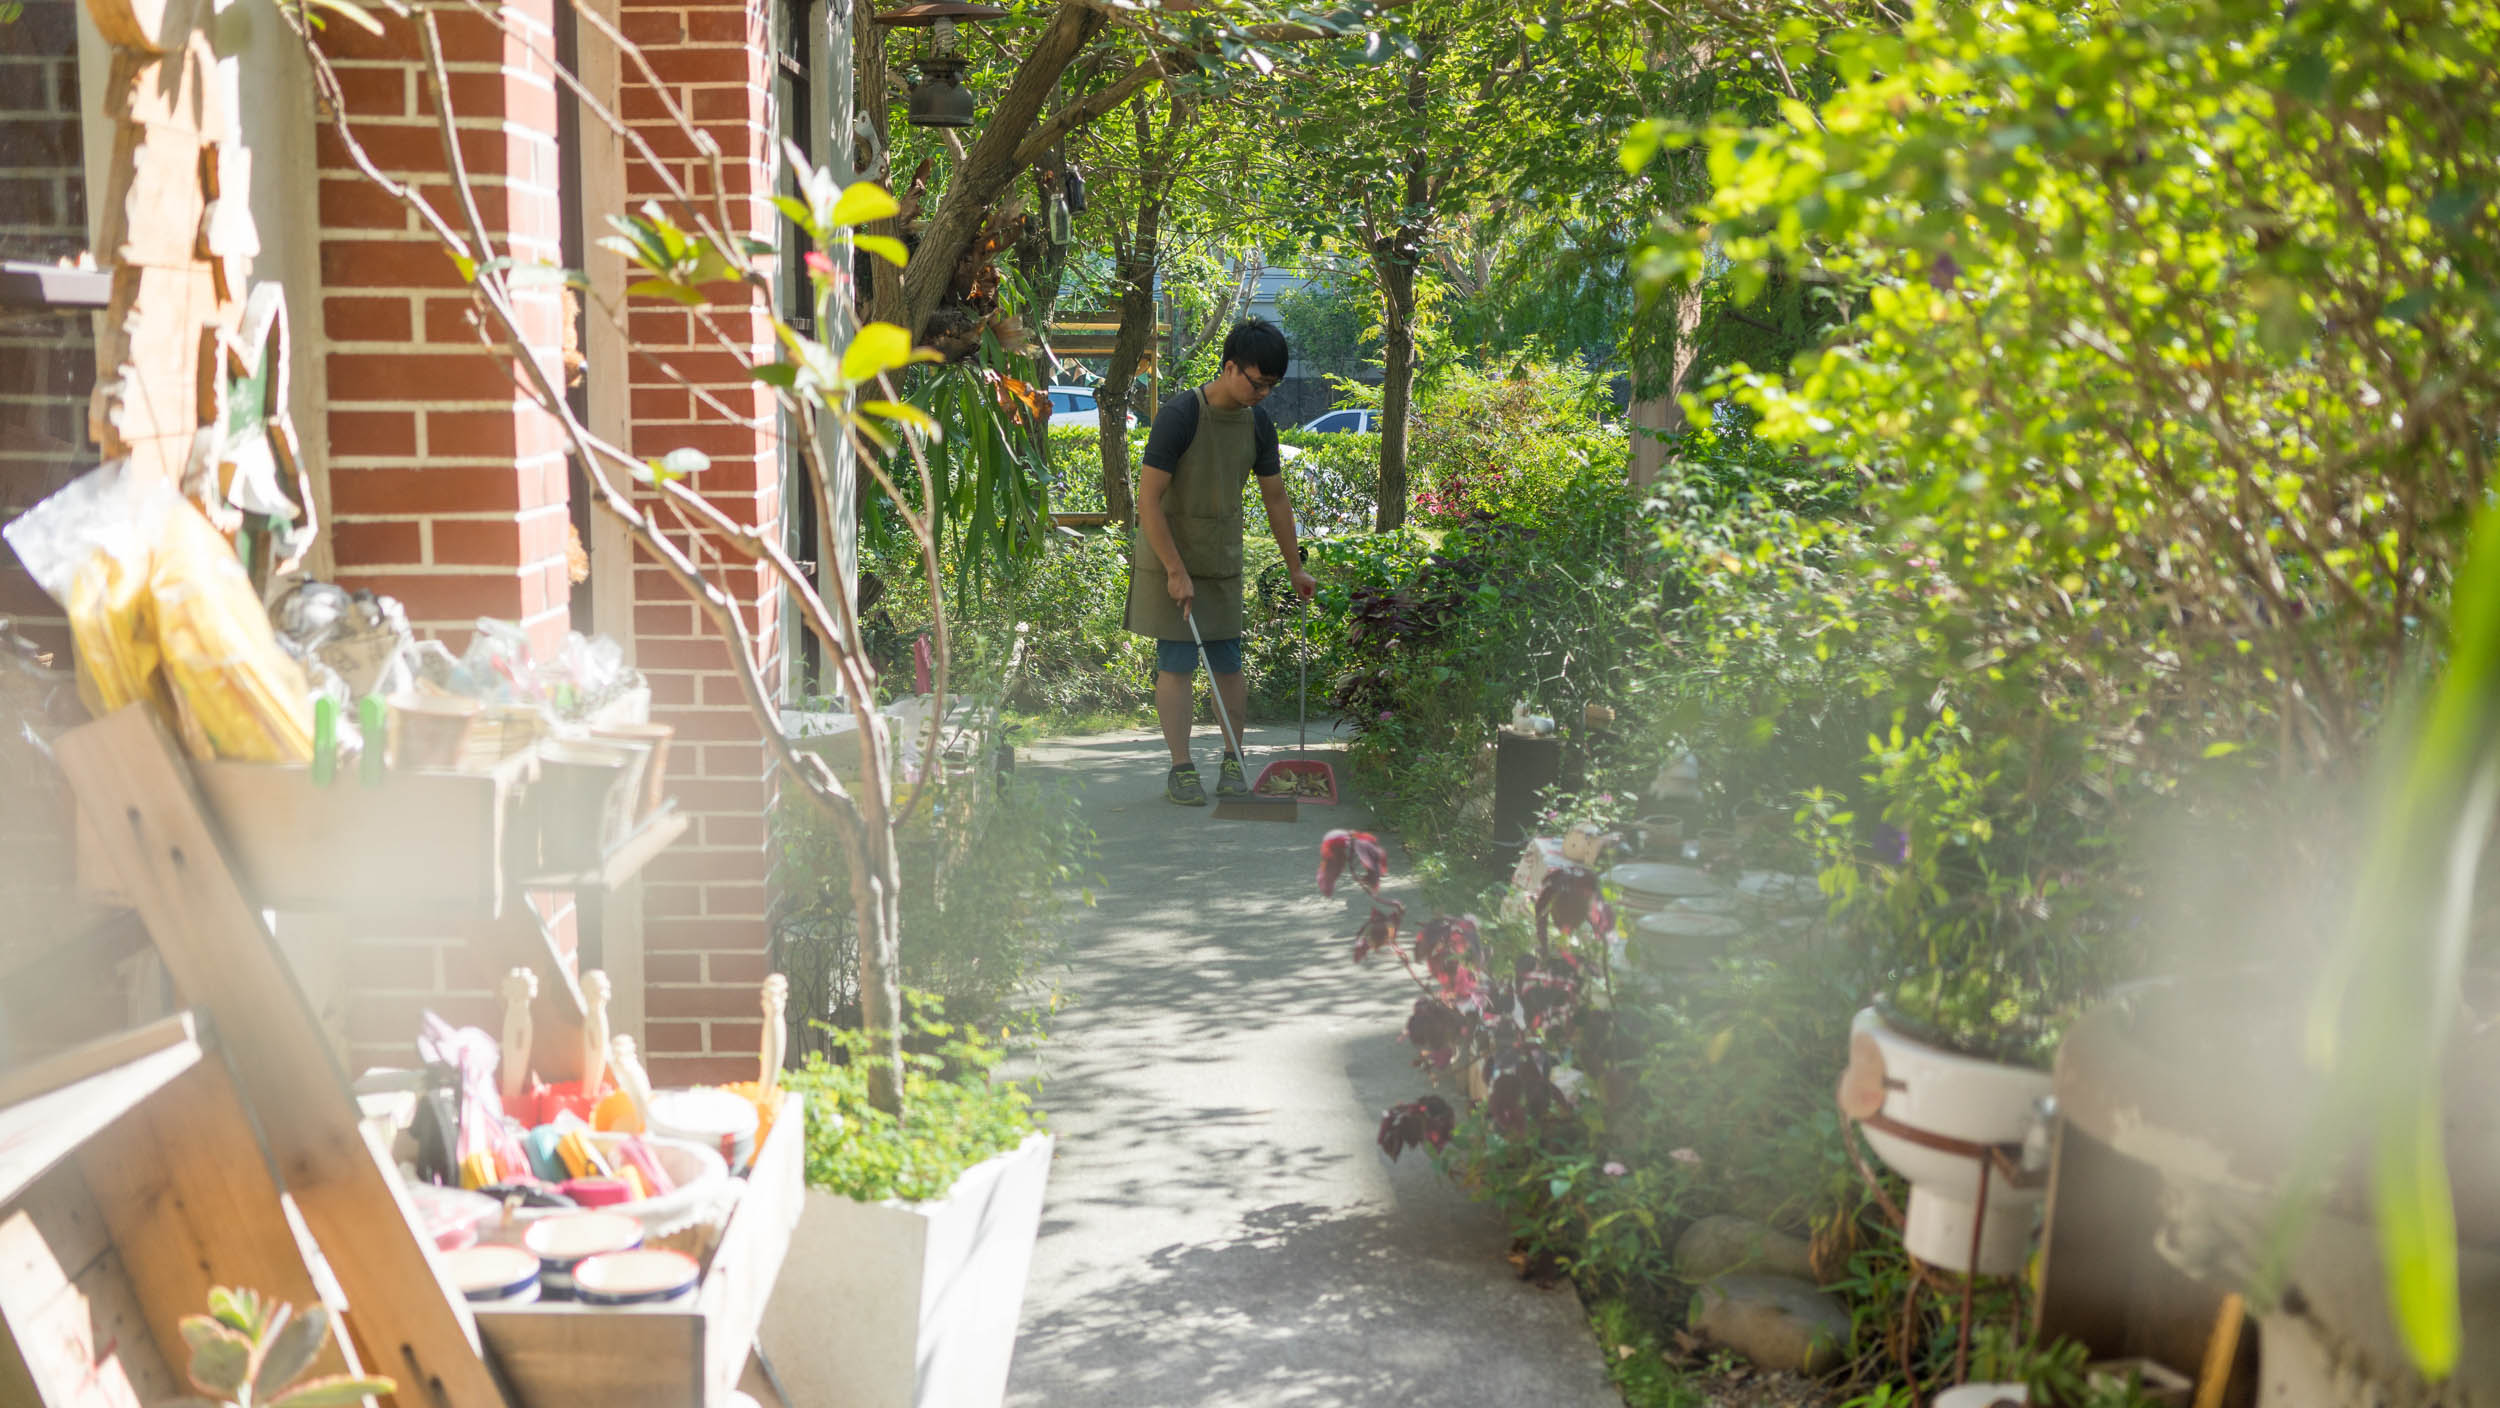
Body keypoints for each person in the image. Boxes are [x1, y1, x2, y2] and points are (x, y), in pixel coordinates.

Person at [1124, 318, 1318, 805]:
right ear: (1230, 366)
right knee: (1177, 661)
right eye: (1257, 382)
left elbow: (1275, 499)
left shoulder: (1258, 424)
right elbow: (1148, 501)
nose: (1263, 394)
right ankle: (1181, 767)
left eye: (1271, 386)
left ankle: (1235, 759)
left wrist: (1295, 566)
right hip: (1170, 552)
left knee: (1229, 662)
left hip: (1220, 558)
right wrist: (1174, 569)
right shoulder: (1180, 414)